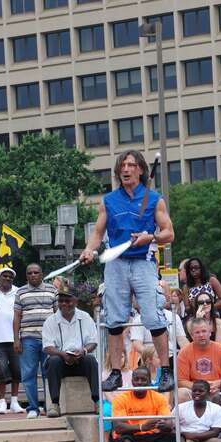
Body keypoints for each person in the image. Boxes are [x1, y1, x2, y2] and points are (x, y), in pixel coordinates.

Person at [81, 150, 175, 394]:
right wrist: (89, 250)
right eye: (122, 165)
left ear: (141, 170)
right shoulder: (108, 200)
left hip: (143, 262)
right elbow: (98, 233)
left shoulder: (155, 199)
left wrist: (150, 237)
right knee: (114, 319)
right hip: (116, 263)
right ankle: (114, 372)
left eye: (131, 165)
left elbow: (169, 234)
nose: (126, 169)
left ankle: (165, 371)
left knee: (153, 317)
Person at [42, 283, 99, 417]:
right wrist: (62, 354)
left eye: (68, 300)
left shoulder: (85, 317)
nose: (64, 304)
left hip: (81, 359)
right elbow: (47, 347)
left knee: (91, 360)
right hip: (61, 360)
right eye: (61, 301)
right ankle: (55, 405)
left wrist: (83, 351)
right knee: (53, 361)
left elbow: (93, 342)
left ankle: (97, 401)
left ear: (75, 301)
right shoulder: (50, 321)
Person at [14, 263, 57, 419]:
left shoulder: (52, 290)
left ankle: (50, 406)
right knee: (28, 374)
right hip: (28, 338)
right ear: (26, 275)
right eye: (30, 273)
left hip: (49, 340)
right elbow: (17, 317)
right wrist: (16, 339)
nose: (33, 275)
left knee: (49, 373)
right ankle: (33, 408)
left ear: (41, 274)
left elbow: (57, 315)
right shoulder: (21, 292)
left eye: (36, 272)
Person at [0, 267, 23, 414]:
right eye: (5, 276)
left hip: (15, 337)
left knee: (16, 369)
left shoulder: (18, 291)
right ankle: (2, 401)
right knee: (2, 368)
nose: (8, 278)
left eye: (10, 277)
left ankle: (14, 401)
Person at [177, 317, 221, 400]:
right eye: (197, 332)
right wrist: (202, 386)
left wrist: (219, 383)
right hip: (195, 390)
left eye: (204, 331)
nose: (201, 335)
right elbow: (181, 381)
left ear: (210, 333)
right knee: (181, 393)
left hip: (217, 390)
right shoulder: (184, 352)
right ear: (192, 335)